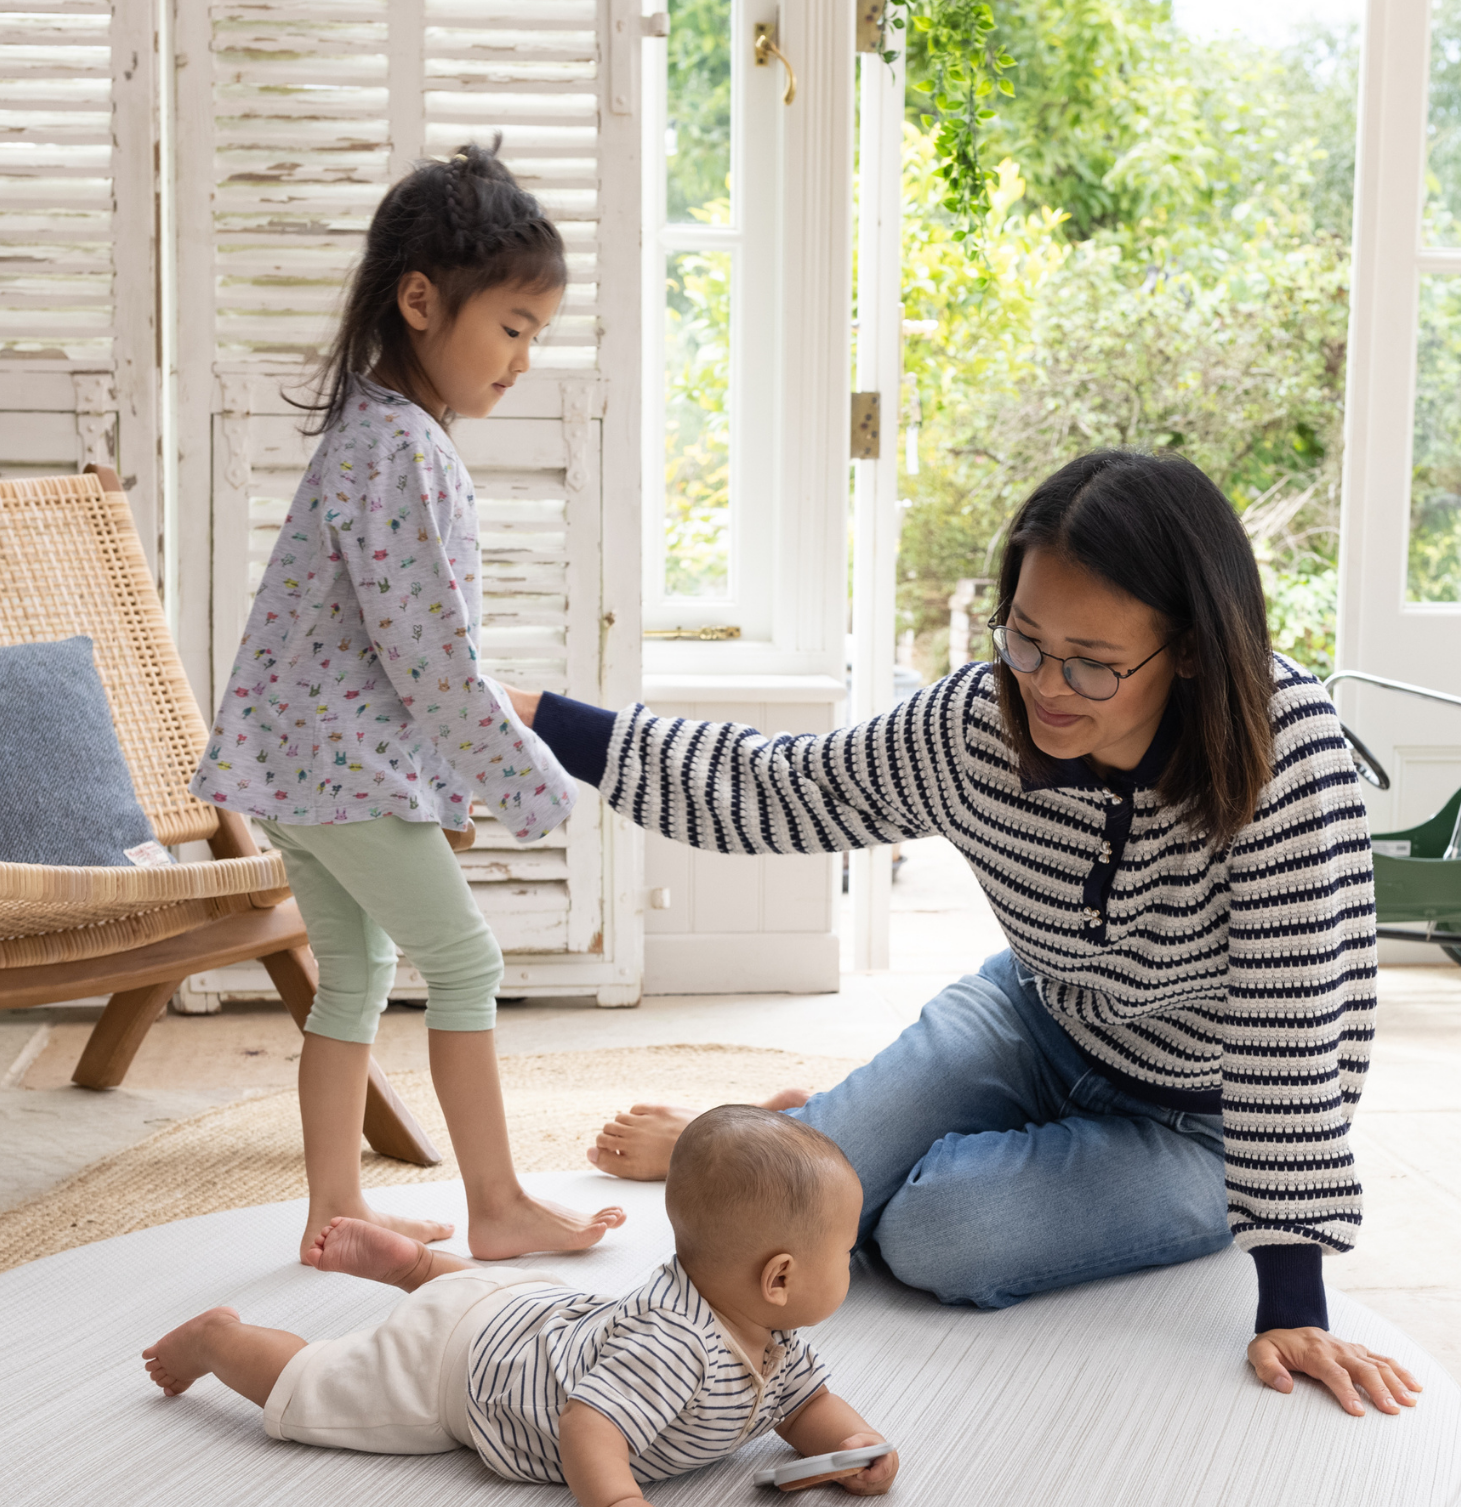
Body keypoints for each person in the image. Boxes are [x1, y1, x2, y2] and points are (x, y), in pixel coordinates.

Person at [504, 450, 1424, 1421]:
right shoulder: (978, 722)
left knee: (931, 1236)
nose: (1046, 686)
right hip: (1029, 1020)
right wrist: (537, 716)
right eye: (1024, 641)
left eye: (1092, 663)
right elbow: (780, 785)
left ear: (1189, 647)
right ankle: (820, 1128)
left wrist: (1290, 1298)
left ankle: (825, 1130)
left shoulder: (1285, 753)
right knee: (777, 1213)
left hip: (1203, 1120)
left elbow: (1296, 1029)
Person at [189, 142, 619, 1263]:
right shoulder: (404, 453)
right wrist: (532, 782)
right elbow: (431, 662)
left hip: (304, 771)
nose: (524, 360)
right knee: (467, 962)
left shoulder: (370, 434)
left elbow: (378, 656)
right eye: (514, 328)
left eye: (538, 335)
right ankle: (498, 1201)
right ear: (422, 301)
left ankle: (334, 1211)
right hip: (337, 772)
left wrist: (442, 783)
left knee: (360, 976)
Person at [141, 1107, 899, 1507]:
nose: (849, 1266)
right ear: (778, 1278)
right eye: (842, 1254)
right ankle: (222, 1341)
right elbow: (587, 1422)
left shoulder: (768, 1334)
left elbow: (804, 1405)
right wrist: (615, 1504)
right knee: (316, 1389)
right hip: (458, 1369)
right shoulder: (681, 1349)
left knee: (488, 1293)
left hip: (526, 1308)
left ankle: (421, 1268)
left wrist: (859, 1443)